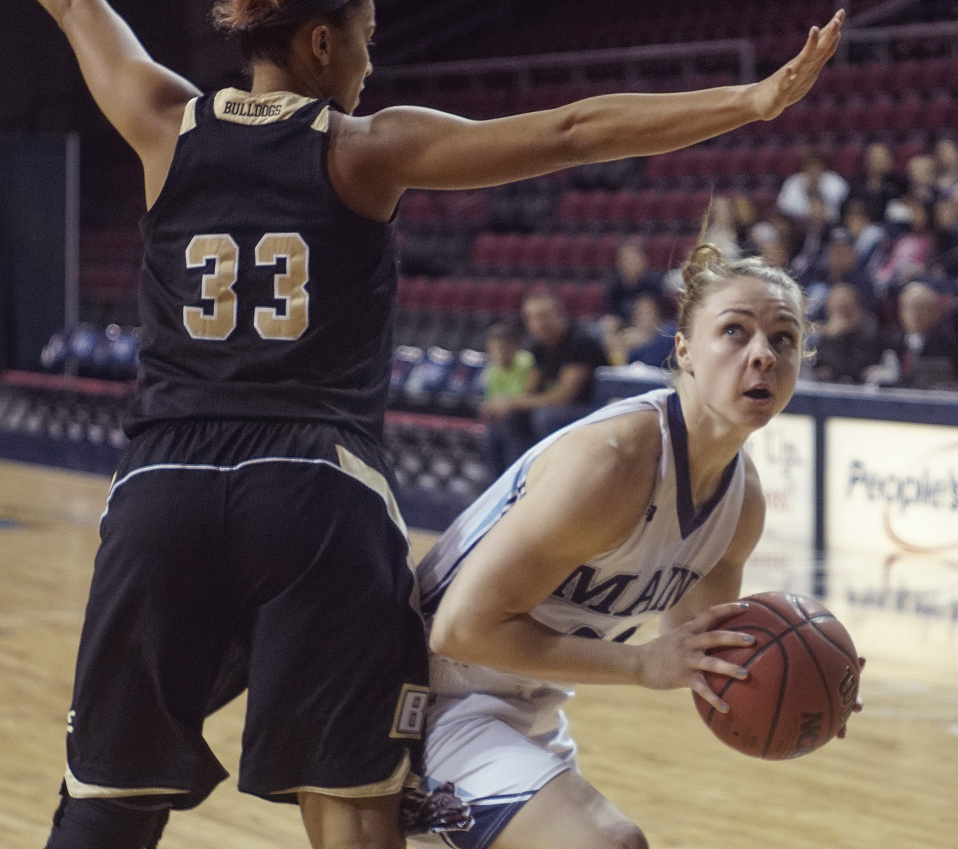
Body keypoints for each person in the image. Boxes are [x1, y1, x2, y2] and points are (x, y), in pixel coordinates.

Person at [34, 1, 846, 846]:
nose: (368, 66)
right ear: (322, 41)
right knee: (350, 803)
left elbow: (78, 7)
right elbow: (572, 131)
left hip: (166, 486)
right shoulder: (363, 146)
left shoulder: (162, 119)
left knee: (109, 796)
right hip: (318, 488)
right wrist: (749, 102)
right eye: (364, 42)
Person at [413, 240, 864, 849]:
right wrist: (640, 664)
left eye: (783, 339)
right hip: (420, 698)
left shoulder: (740, 506)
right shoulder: (614, 461)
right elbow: (458, 631)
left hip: (525, 706)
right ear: (684, 351)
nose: (762, 355)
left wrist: (818, 689)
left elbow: (705, 661)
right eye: (734, 332)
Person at [481, 289, 609, 479]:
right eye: (531, 318)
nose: (538, 323)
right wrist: (506, 405)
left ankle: (552, 479)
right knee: (508, 419)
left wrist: (512, 402)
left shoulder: (580, 341)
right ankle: (507, 484)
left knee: (545, 417)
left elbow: (564, 397)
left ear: (558, 314)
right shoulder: (538, 347)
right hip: (557, 409)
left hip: (593, 409)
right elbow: (529, 392)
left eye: (543, 316)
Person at [810, 282, 884, 383]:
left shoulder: (869, 332)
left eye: (846, 308)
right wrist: (831, 336)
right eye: (838, 309)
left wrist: (837, 337)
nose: (843, 314)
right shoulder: (824, 337)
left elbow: (851, 369)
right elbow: (820, 369)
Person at [481, 320, 535, 404]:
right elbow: (492, 400)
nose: (498, 355)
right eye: (493, 351)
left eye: (503, 350)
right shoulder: (491, 372)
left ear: (515, 348)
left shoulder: (526, 362)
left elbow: (527, 395)